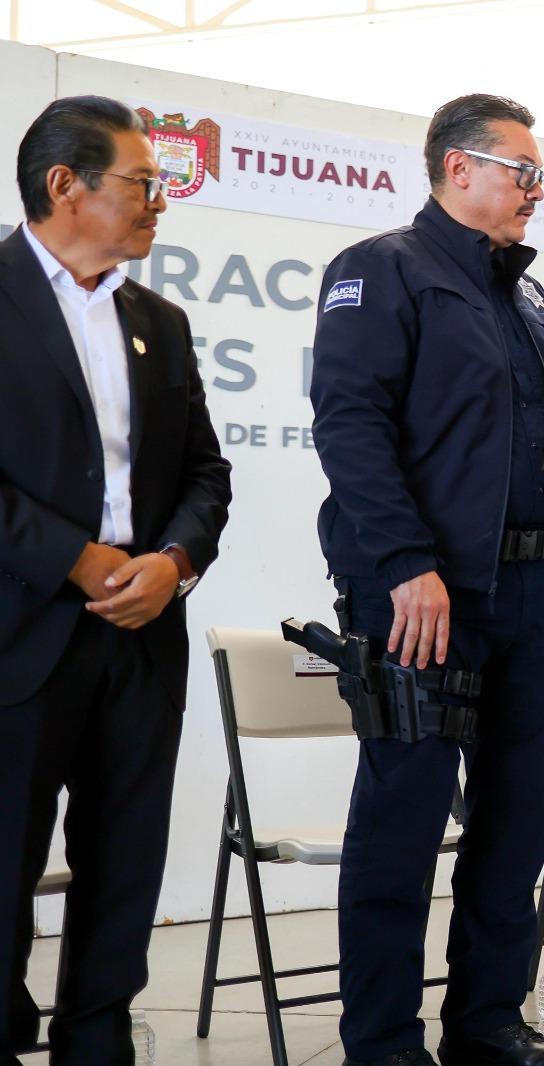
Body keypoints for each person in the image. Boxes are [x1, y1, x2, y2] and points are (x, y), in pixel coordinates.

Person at [310, 94, 544, 1066]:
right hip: (426, 599)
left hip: (532, 594)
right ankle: (383, 1042)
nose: (536, 190)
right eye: (521, 171)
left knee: (519, 816)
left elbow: (521, 433)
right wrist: (405, 565)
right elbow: (349, 426)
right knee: (402, 822)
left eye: (538, 175)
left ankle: (486, 1022)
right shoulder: (379, 271)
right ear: (458, 168)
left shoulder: (525, 298)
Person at [0, 96, 231, 1065]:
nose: (159, 203)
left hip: (142, 634)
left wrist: (172, 563)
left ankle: (98, 1042)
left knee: (125, 857)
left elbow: (207, 474)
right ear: (65, 186)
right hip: (20, 632)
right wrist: (77, 555)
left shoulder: (160, 321)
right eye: (144, 182)